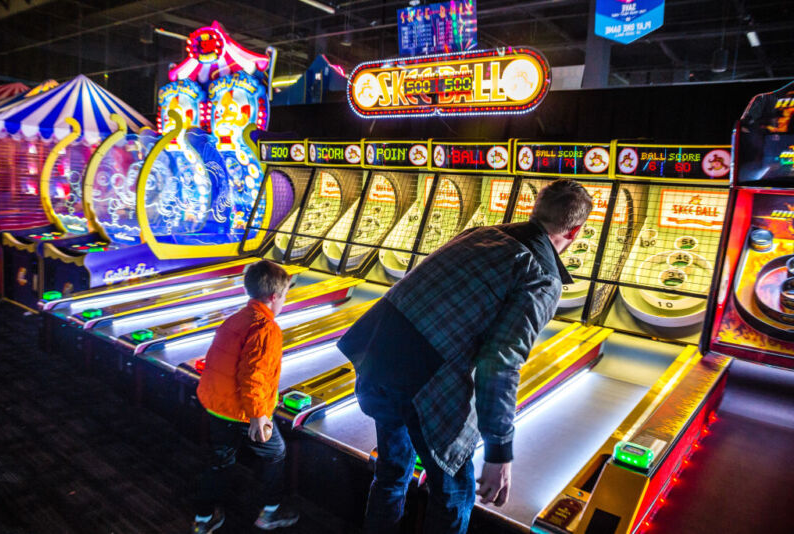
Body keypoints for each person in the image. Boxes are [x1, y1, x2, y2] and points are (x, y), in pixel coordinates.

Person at [338, 179, 592, 534]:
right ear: (576, 231)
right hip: (422, 378)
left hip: (377, 350)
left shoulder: (480, 233)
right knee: (455, 491)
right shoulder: (540, 276)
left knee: (393, 472)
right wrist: (499, 453)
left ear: (535, 211)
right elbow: (500, 362)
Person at [191, 260, 299, 533]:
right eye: (284, 296)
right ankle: (269, 512)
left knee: (220, 461)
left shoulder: (237, 317)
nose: (283, 301)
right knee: (276, 452)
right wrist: (258, 416)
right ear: (274, 297)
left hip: (216, 404)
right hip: (241, 410)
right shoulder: (266, 328)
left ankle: (203, 520)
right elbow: (253, 377)